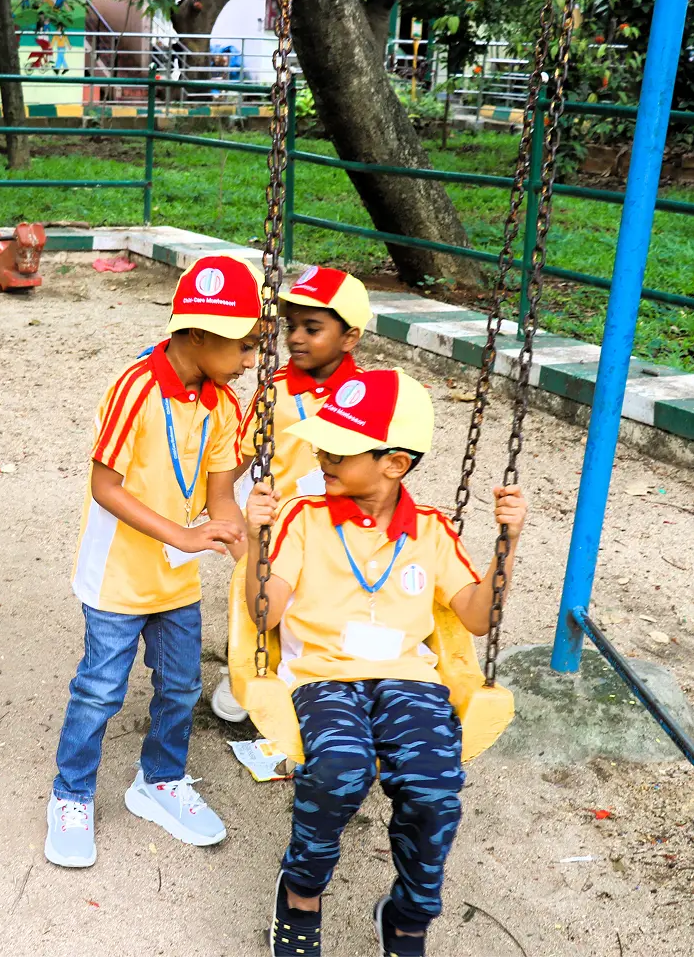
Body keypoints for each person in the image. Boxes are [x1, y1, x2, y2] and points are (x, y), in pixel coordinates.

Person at [243, 368, 528, 958]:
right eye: (323, 444)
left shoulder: (431, 531)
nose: (322, 456)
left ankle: (408, 916)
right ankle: (300, 895)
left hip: (408, 678)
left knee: (434, 784)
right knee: (338, 770)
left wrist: (508, 543)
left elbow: (477, 617)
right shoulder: (302, 518)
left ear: (394, 464)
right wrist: (255, 538)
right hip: (325, 676)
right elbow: (264, 612)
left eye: (340, 450)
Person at [44, 254, 260, 870]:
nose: (250, 361)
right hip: (116, 577)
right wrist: (183, 535)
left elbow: (221, 493)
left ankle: (160, 780)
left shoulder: (223, 403)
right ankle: (71, 795)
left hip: (175, 578)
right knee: (99, 690)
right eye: (243, 346)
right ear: (199, 335)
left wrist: (243, 547)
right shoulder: (135, 387)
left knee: (182, 684)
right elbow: (104, 486)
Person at [211, 266, 371, 723]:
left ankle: (324, 677)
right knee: (266, 598)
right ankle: (249, 661)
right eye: (292, 326)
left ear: (350, 337)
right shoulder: (274, 391)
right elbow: (236, 462)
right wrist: (234, 523)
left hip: (340, 529)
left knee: (330, 604)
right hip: (279, 530)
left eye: (312, 328)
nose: (296, 338)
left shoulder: (368, 396)